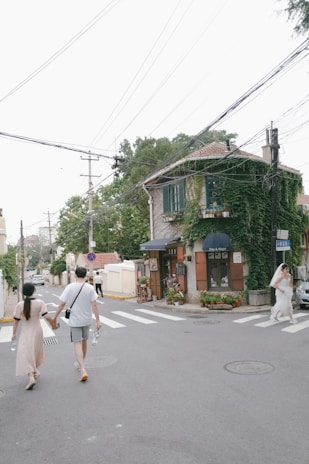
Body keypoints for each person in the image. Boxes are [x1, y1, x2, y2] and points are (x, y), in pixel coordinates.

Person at [53, 266, 101, 382]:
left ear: (75, 275)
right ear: (85, 275)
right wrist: (98, 320)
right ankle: (81, 365)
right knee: (84, 342)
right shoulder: (89, 288)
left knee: (77, 343)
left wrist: (54, 318)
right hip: (86, 319)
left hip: (75, 321)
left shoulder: (69, 287)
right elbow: (94, 304)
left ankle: (83, 368)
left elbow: (61, 304)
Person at [11, 282, 59, 390]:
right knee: (35, 352)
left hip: (26, 332)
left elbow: (16, 322)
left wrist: (13, 335)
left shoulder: (20, 305)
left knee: (26, 354)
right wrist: (53, 325)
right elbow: (46, 317)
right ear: (34, 291)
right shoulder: (40, 302)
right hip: (38, 331)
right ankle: (35, 372)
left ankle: (31, 377)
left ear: (23, 292)